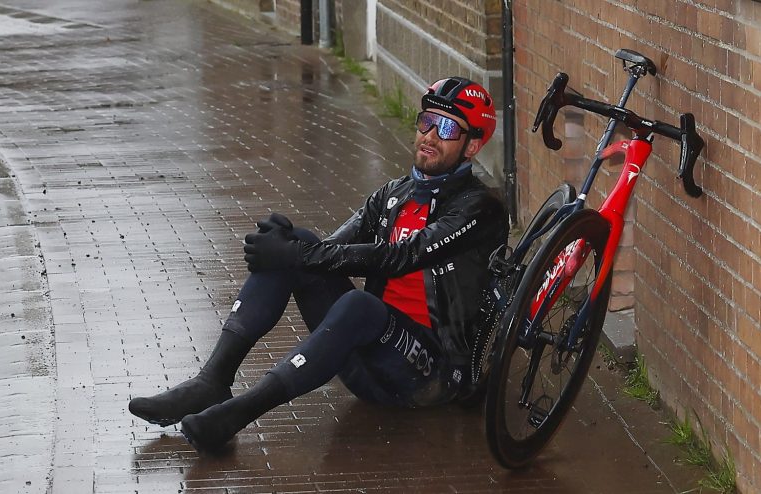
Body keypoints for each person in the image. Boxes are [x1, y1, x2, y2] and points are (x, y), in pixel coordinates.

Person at [128, 76, 508, 452]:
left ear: (473, 145)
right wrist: (286, 245)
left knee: (354, 300)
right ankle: (212, 379)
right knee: (303, 246)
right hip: (370, 363)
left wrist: (298, 254)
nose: (429, 135)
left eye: (446, 128)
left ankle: (236, 414)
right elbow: (328, 252)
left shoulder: (480, 208)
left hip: (433, 377)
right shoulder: (395, 194)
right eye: (425, 121)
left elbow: (402, 257)